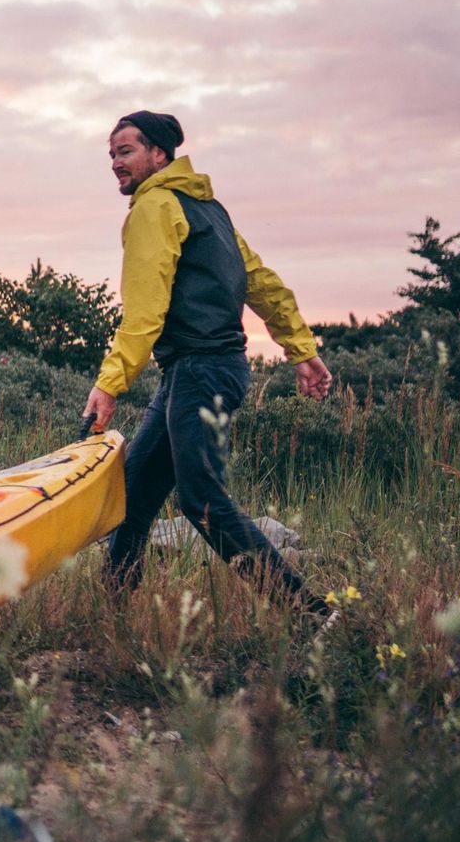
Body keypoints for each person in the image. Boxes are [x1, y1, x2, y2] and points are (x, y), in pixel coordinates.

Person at [79, 111, 335, 612]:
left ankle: (313, 615)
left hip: (200, 370)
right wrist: (302, 350)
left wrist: (110, 384)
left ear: (159, 154)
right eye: (111, 154)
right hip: (198, 371)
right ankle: (114, 618)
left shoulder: (156, 205)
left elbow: (145, 311)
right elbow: (261, 281)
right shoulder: (208, 209)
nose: (115, 163)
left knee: (201, 502)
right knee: (129, 500)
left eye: (125, 151)